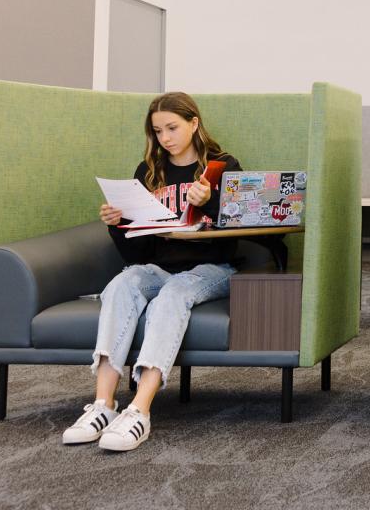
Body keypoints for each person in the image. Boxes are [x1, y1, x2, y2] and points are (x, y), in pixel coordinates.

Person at [61, 92, 241, 452]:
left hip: (212, 267)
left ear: (194, 123)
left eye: (172, 128)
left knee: (173, 295)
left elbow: (238, 229)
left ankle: (140, 410)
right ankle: (103, 405)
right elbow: (137, 252)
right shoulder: (148, 172)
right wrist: (119, 225)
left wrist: (211, 203)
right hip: (158, 267)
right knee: (121, 284)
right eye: (158, 131)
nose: (166, 138)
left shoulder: (222, 166)